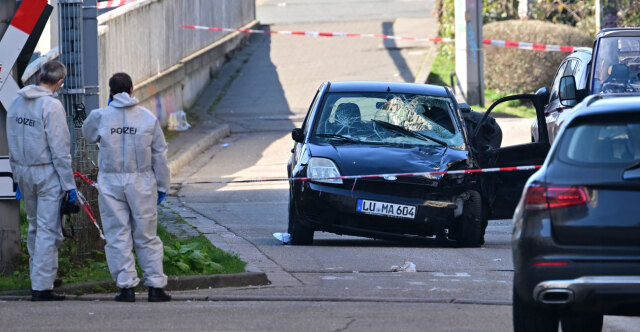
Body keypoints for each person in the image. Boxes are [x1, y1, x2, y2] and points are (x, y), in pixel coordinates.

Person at [81, 73, 171, 302]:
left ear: (110, 91)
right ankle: (155, 286)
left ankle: (126, 287)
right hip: (141, 181)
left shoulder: (100, 116)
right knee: (146, 235)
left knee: (117, 235)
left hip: (111, 182)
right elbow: (160, 154)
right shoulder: (147, 118)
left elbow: (87, 134)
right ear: (132, 89)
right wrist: (162, 185)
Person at [6, 60, 77, 301]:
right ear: (59, 82)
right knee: (49, 230)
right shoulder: (52, 106)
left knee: (36, 226)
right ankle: (42, 287)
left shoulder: (17, 101)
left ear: (39, 78)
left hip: (24, 172)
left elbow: (12, 139)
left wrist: (16, 176)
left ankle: (42, 274)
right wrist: (69, 186)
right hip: (46, 174)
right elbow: (60, 150)